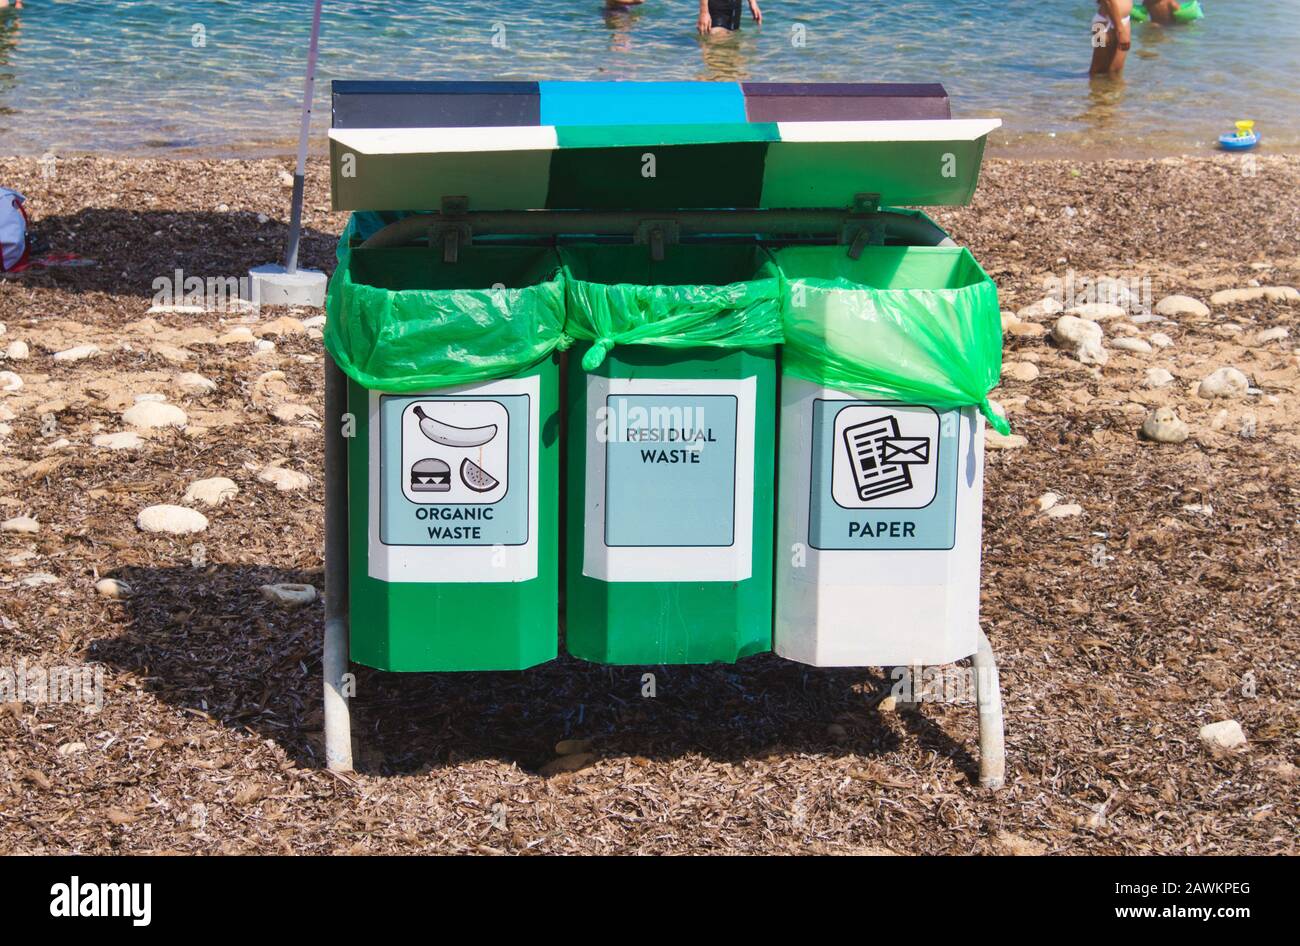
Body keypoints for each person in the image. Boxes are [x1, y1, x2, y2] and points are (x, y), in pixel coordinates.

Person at [1090, 0, 1132, 76]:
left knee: (1116, 71)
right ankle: (1083, 86)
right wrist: (1120, 31)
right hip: (1102, 24)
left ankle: (1110, 88)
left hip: (1124, 21)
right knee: (1097, 71)